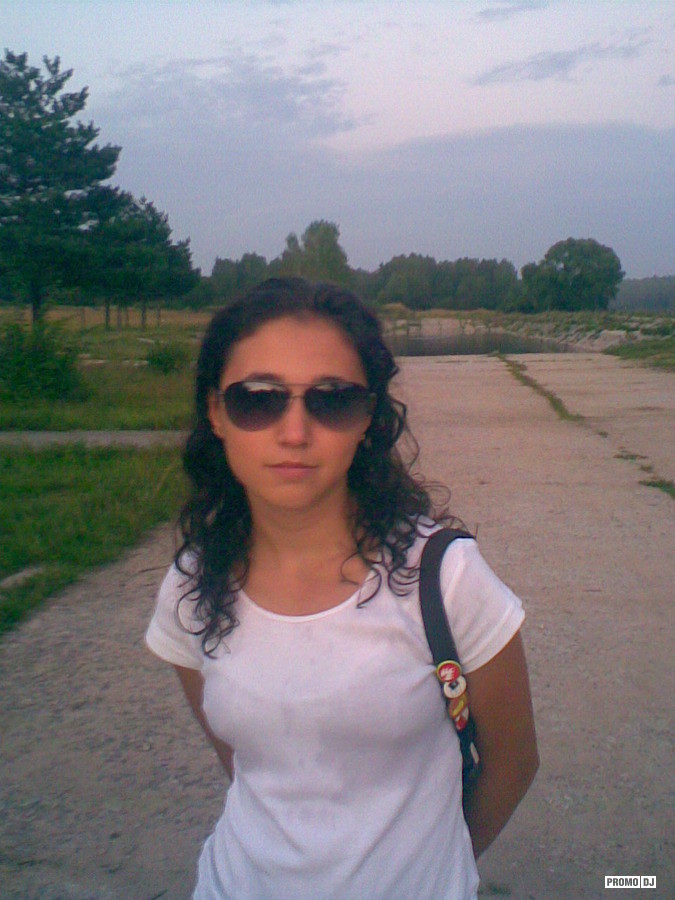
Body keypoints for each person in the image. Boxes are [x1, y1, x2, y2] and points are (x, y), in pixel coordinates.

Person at [146, 277, 538, 900]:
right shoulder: (193, 586)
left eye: (331, 400)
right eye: (258, 399)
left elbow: (514, 762)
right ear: (216, 413)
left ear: (368, 420)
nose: (294, 432)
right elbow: (243, 766)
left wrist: (438, 867)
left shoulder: (444, 577)